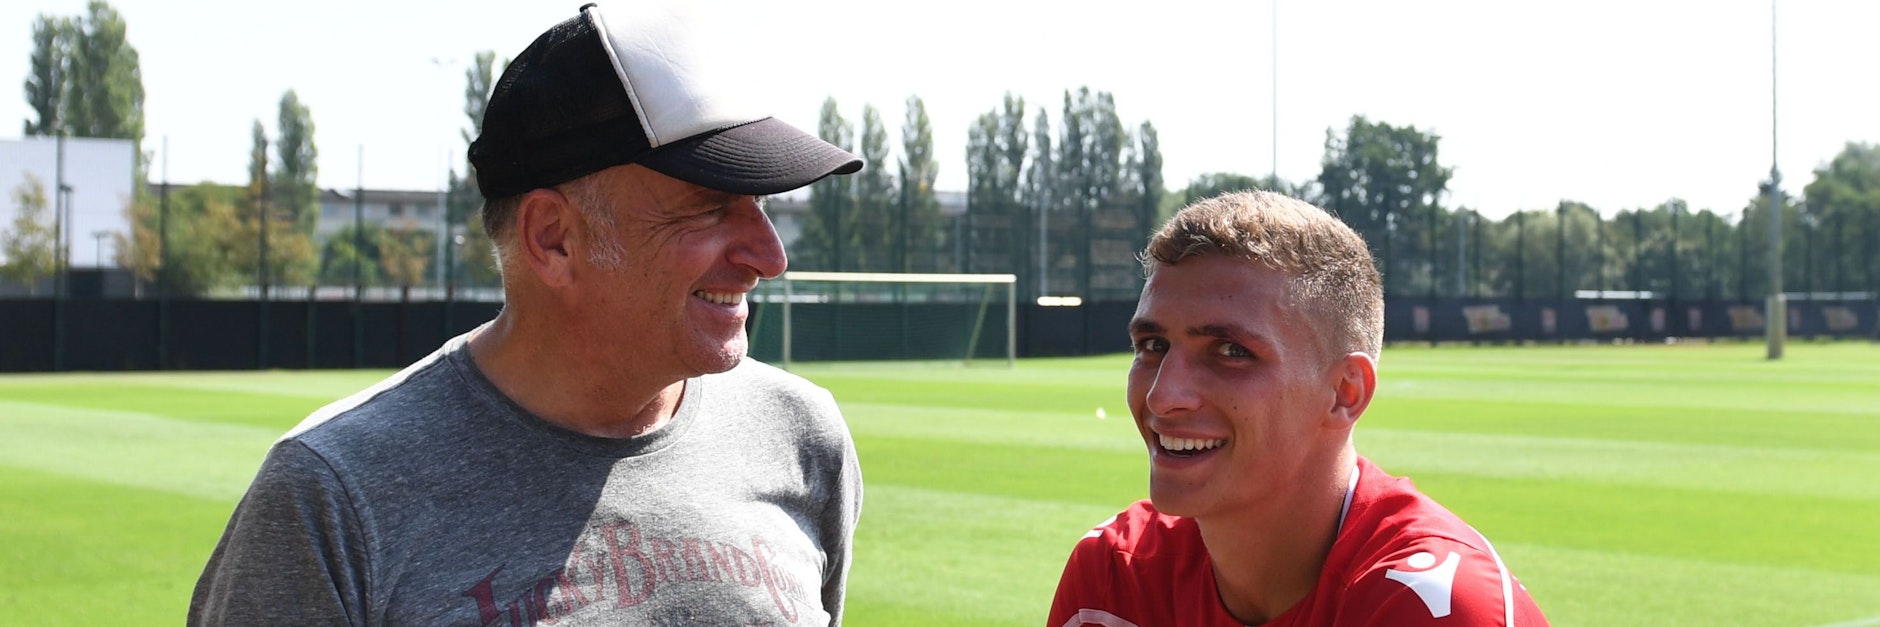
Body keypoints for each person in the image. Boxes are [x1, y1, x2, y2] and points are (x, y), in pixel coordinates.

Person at [190, 3, 864, 625]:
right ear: (554, 238)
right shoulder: (331, 495)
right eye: (712, 206)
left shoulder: (802, 437)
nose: (770, 256)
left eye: (762, 204)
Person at [1048, 191, 1547, 626]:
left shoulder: (1435, 609)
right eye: (1153, 345)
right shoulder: (1114, 579)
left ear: (1344, 393)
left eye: (1231, 351)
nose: (1163, 395)